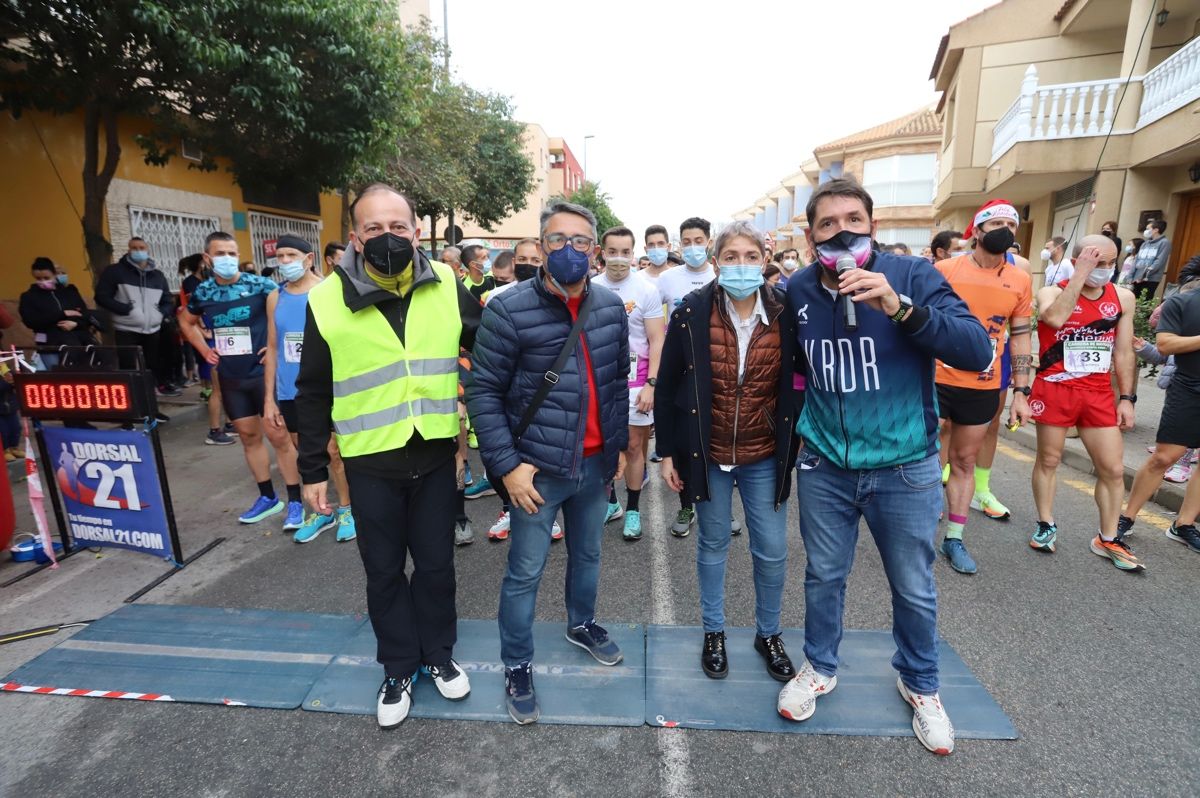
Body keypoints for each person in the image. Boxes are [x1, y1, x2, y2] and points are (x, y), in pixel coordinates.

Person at [776, 178, 992, 756]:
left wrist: (899, 308)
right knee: (823, 575)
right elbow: (794, 370)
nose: (841, 231)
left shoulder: (914, 276)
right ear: (810, 234)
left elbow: (977, 351)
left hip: (905, 467)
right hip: (825, 466)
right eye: (826, 223)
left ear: (874, 225)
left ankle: (920, 684)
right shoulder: (797, 288)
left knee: (914, 586)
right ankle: (820, 667)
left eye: (853, 218)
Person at [296, 184, 481, 728]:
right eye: (374, 228)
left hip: (434, 457)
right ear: (355, 237)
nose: (387, 237)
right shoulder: (324, 300)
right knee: (382, 571)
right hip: (369, 463)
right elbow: (312, 392)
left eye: (398, 227)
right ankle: (398, 666)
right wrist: (312, 471)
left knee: (436, 566)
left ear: (416, 231)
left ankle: (439, 657)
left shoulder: (447, 283)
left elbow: (490, 345)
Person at [468, 200, 629, 725]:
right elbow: (484, 393)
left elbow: (612, 387)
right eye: (557, 240)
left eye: (580, 240)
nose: (569, 249)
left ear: (595, 250)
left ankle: (581, 624)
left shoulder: (607, 307)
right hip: (535, 471)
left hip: (592, 468)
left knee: (588, 558)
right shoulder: (507, 308)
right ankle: (517, 663)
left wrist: (618, 448)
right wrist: (507, 466)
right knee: (524, 572)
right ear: (540, 246)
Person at [656, 220, 802, 681]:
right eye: (732, 257)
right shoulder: (691, 311)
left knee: (773, 550)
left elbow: (798, 379)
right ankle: (713, 631)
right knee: (713, 544)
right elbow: (668, 386)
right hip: (708, 453)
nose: (742, 265)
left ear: (765, 260)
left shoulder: (786, 311)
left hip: (763, 454)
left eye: (751, 256)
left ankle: (769, 633)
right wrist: (667, 453)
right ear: (717, 263)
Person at [1027, 235, 1141, 570]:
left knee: (1114, 468)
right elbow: (1056, 319)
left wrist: (1127, 398)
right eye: (1096, 262)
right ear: (1076, 261)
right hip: (1055, 388)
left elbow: (1123, 351)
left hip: (1097, 393)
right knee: (1049, 460)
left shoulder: (1123, 297)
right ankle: (1046, 524)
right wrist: (1079, 276)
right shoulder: (1050, 291)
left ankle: (1107, 538)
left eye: (1110, 262)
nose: (1105, 270)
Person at [932, 200, 1034, 574]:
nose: (1004, 229)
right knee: (928, 459)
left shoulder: (1020, 279)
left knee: (964, 460)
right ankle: (920, 531)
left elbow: (1021, 337)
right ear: (976, 231)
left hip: (983, 383)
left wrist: (1021, 391)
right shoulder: (945, 270)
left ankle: (954, 538)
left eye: (1011, 223)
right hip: (937, 379)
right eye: (996, 223)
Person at [180, 232, 303, 528]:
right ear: (208, 259)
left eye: (232, 253)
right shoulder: (204, 293)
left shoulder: (260, 285)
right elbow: (186, 320)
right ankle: (268, 498)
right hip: (231, 377)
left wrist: (273, 346)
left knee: (279, 437)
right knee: (248, 437)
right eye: (221, 253)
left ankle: (296, 501)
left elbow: (287, 310)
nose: (228, 259)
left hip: (263, 375)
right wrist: (204, 349)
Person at [263, 235, 356, 545]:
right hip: (290, 391)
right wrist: (270, 399)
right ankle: (321, 511)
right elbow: (274, 348)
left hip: (325, 388)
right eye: (281, 256)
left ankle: (346, 508)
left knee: (333, 451)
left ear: (309, 257)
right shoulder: (275, 297)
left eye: (292, 254)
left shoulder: (328, 292)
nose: (285, 261)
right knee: (306, 453)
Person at [655, 217, 742, 539]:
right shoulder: (667, 279)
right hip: (682, 370)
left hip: (721, 375)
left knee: (721, 452)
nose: (693, 247)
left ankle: (724, 509)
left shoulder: (723, 274)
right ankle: (687, 505)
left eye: (698, 240)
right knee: (687, 447)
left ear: (709, 242)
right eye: (686, 241)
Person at [1118, 268, 1200, 552]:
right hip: (1190, 388)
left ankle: (1184, 524)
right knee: (1165, 457)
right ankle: (1126, 517)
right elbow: (1165, 344)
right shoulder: (1183, 302)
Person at [592, 226, 665, 540]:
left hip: (637, 382)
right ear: (602, 252)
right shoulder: (590, 287)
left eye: (625, 252)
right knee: (603, 447)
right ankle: (611, 503)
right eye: (613, 252)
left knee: (635, 447)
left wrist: (651, 384)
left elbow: (657, 339)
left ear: (634, 254)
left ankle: (633, 509)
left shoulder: (646, 289)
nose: (619, 259)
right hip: (599, 382)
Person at [94, 237, 180, 399]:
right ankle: (133, 399)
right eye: (134, 248)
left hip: (153, 328)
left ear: (148, 251)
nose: (138, 251)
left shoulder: (157, 276)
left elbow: (168, 300)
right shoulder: (115, 271)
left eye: (141, 248)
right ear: (128, 250)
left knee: (152, 364)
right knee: (129, 366)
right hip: (126, 327)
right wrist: (124, 309)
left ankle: (151, 397)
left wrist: (160, 313)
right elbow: (102, 296)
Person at [19, 257, 100, 357]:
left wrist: (75, 324)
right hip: (49, 342)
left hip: (78, 339)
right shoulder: (29, 297)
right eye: (38, 279)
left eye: (46, 278)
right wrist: (62, 314)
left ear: (54, 275)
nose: (43, 281)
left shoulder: (69, 292)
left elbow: (83, 313)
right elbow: (31, 321)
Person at [1132, 219, 1170, 300]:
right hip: (1137, 278)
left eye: (1148, 229)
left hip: (1150, 279)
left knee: (1144, 302)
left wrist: (1143, 276)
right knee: (1133, 300)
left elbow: (1159, 262)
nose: (1146, 231)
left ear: (1156, 230)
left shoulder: (1164, 243)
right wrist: (1131, 276)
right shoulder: (1145, 243)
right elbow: (1136, 260)